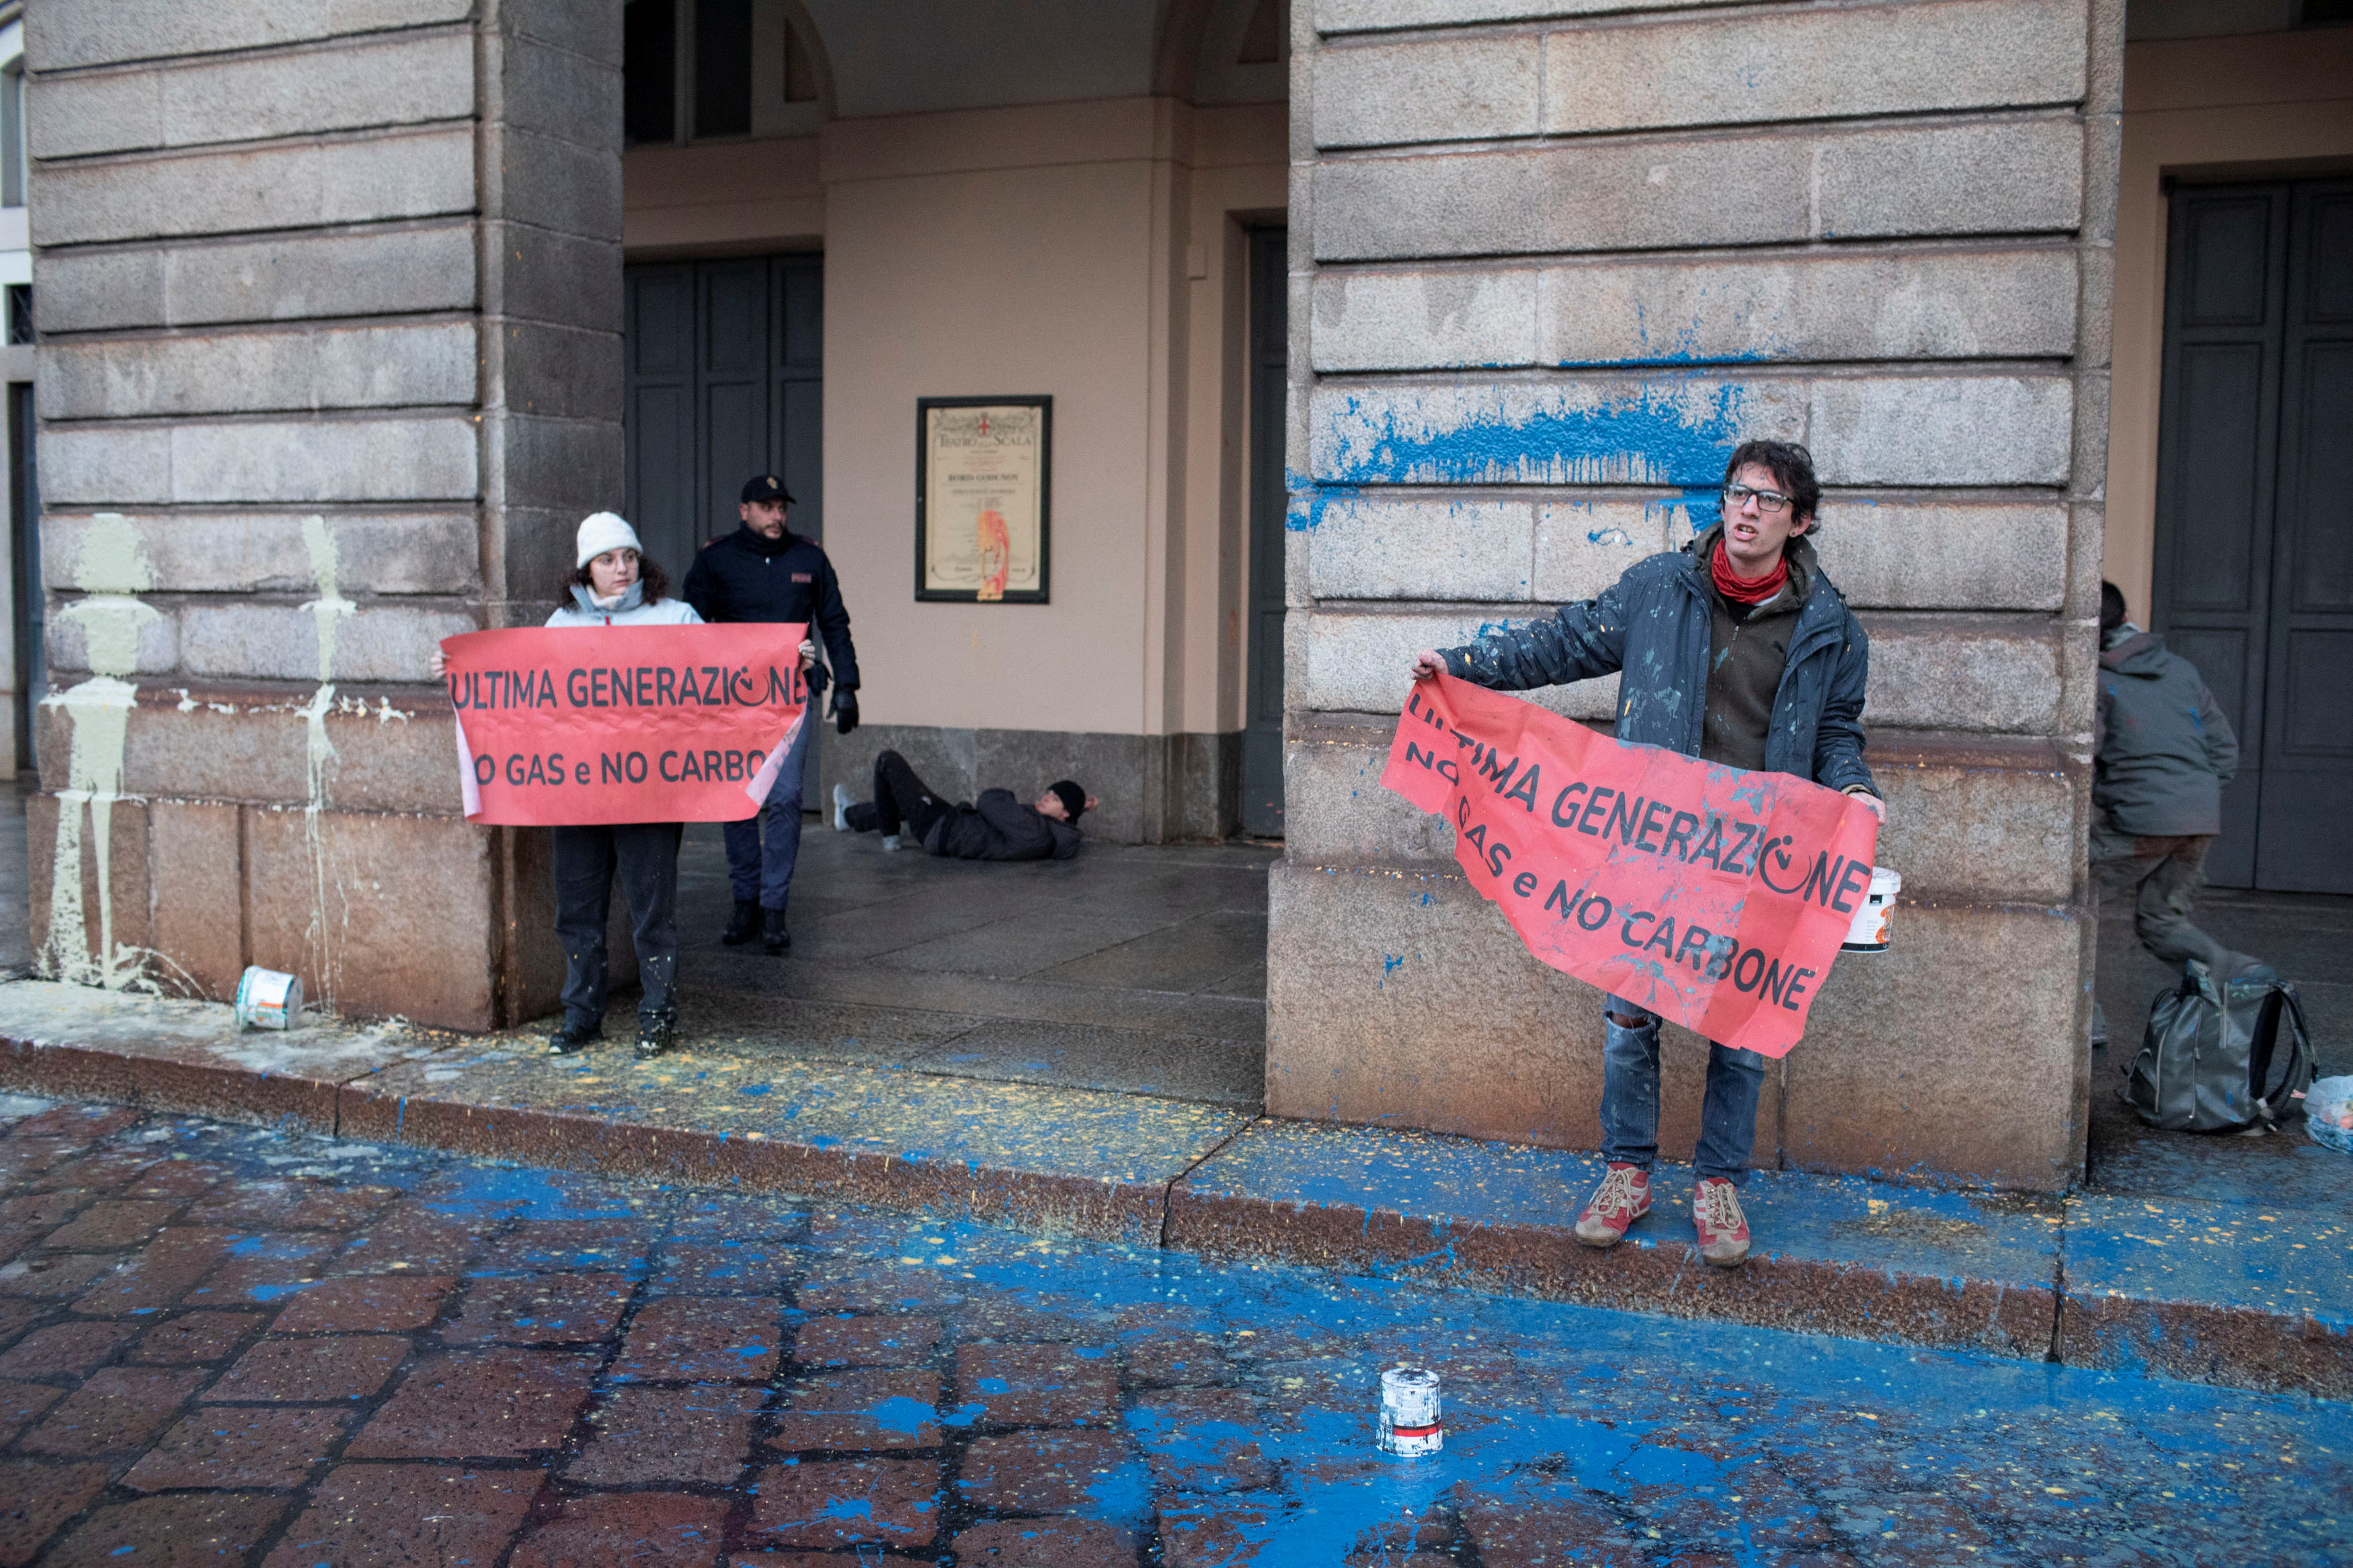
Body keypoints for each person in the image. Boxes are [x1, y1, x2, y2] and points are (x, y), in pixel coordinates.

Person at [1411, 440, 1880, 1269]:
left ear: (1799, 521)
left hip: (1755, 854)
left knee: (1739, 1027)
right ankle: (1626, 1172)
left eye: (1767, 500)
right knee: (1630, 1016)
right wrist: (1462, 666)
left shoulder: (1829, 627)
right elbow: (1561, 645)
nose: (1745, 510)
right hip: (1649, 842)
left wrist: (1852, 790)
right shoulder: (1658, 587)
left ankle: (1716, 1183)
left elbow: (1837, 732)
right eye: (1737, 493)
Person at [438, 513, 704, 1061]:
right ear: (586, 568)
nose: (622, 569)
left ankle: (658, 1015)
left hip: (649, 795)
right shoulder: (561, 625)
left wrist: (784, 661)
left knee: (653, 910)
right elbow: (522, 695)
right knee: (577, 910)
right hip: (578, 795)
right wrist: (463, 671)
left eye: (629, 557)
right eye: (608, 560)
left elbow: (726, 675)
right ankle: (582, 1015)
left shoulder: (675, 616)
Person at [682, 474, 861, 956]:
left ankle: (774, 907)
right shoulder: (716, 559)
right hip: (732, 699)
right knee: (739, 801)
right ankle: (745, 901)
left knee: (784, 799)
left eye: (782, 507)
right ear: (745, 511)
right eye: (766, 507)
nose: (777, 516)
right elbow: (687, 628)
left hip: (790, 695)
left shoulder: (809, 557)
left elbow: (835, 621)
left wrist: (847, 685)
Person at [2091, 581, 2252, 1022]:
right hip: (2200, 815)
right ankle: (2243, 976)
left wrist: (2132, 800)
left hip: (2142, 818)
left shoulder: (2096, 679)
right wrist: (2190, 798)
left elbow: (2086, 758)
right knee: (2161, 922)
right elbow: (2225, 752)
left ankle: (2082, 1019)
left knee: (2068, 895)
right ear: (2126, 619)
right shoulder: (2180, 670)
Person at [831, 752, 1094, 861]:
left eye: (1055, 799)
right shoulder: (1051, 831)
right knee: (901, 804)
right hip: (951, 823)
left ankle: (889, 836)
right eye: (1049, 793)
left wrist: (1013, 800)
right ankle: (848, 816)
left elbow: (989, 800)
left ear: (1064, 814)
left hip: (942, 830)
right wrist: (1080, 808)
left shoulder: (1034, 831)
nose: (1047, 798)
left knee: (888, 761)